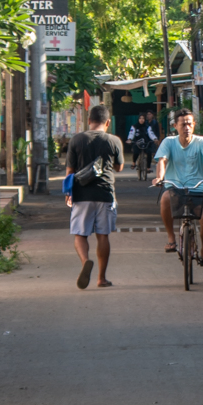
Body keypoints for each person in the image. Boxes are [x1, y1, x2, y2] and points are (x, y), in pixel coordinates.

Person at [152, 109, 203, 270]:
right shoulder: (168, 142)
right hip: (175, 186)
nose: (187, 127)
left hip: (199, 188)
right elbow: (162, 160)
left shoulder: (202, 142)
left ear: (194, 125)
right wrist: (160, 177)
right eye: (183, 124)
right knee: (165, 199)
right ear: (175, 126)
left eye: (190, 123)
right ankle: (171, 238)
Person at [65, 103, 124, 289]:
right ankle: (101, 278)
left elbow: (69, 170)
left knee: (80, 235)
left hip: (82, 194)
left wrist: (69, 193)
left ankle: (85, 262)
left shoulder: (76, 140)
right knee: (103, 235)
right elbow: (119, 167)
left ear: (89, 121)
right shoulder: (114, 140)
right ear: (108, 122)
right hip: (105, 193)